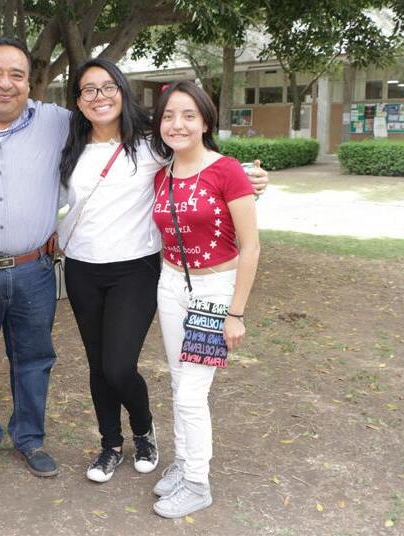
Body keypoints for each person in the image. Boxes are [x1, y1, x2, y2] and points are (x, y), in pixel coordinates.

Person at [0, 37, 269, 486]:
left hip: (44, 269)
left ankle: (32, 439)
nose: (6, 83)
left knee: (38, 360)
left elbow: (189, 151)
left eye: (17, 75)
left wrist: (242, 175)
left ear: (30, 83)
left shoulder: (67, 124)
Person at [150, 81, 260, 518]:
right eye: (168, 116)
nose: (177, 124)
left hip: (214, 292)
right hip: (170, 285)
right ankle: (183, 462)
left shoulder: (228, 170)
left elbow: (250, 246)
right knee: (179, 383)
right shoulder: (161, 174)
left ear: (206, 122)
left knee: (191, 393)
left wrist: (236, 312)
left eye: (188, 115)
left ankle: (197, 483)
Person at [58, 58, 162, 483]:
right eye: (88, 90)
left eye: (107, 87)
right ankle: (110, 445)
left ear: (122, 90)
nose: (99, 96)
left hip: (135, 269)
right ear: (78, 101)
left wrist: (250, 182)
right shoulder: (70, 147)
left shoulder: (152, 144)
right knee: (98, 365)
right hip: (82, 268)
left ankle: (144, 429)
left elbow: (203, 167)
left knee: (119, 365)